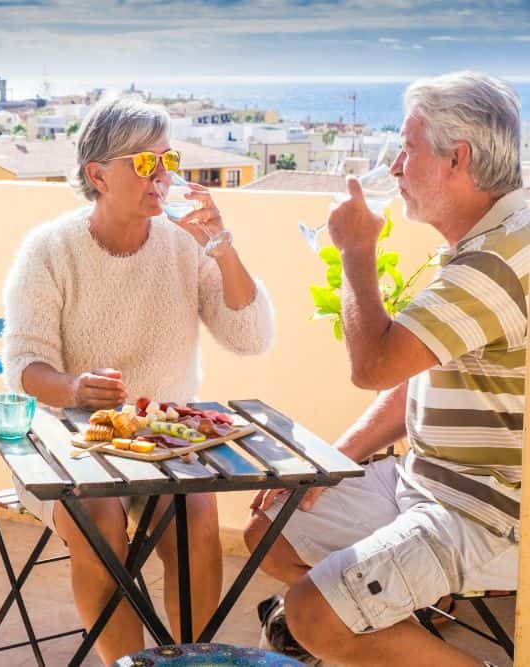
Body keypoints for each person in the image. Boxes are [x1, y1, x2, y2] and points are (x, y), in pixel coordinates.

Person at [245, 71, 526, 667]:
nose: (396, 166)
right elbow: (413, 377)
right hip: (423, 478)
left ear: (459, 158)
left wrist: (354, 252)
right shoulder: (486, 241)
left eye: (408, 148)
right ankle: (377, 624)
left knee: (311, 613)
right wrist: (333, 461)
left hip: (483, 509)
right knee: (271, 526)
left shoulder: (498, 262)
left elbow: (374, 365)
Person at [1, 94, 274, 663]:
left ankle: (188, 661)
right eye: (145, 163)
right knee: (100, 523)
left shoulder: (185, 243)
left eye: (168, 161)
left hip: (166, 442)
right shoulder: (50, 250)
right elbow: (25, 368)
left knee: (196, 518)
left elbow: (250, 338)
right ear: (97, 174)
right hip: (74, 442)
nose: (162, 177)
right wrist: (76, 389)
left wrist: (222, 249)